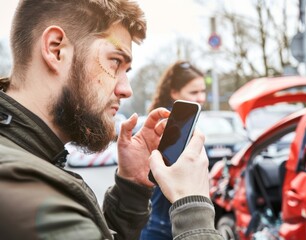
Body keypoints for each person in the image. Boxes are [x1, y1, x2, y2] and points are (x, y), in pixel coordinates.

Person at [0, 1, 222, 240]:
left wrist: (131, 188)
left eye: (126, 70)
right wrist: (193, 205)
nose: (127, 90)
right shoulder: (21, 185)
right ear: (56, 50)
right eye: (115, 62)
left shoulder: (25, 157)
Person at [141, 60, 207, 240]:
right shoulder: (171, 125)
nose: (201, 97)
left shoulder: (181, 122)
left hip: (159, 219)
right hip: (164, 224)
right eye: (194, 92)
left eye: (203, 91)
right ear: (174, 93)